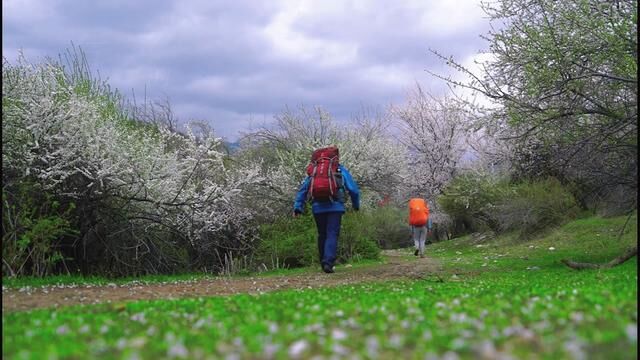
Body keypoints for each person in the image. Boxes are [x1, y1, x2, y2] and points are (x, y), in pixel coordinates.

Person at [293, 146, 360, 274]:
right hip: (336, 207)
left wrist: (298, 207)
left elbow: (303, 190)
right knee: (332, 234)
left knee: (322, 234)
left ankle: (323, 262)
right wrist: (356, 205)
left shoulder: (314, 172)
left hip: (317, 207)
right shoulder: (340, 170)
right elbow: (353, 190)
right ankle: (328, 262)